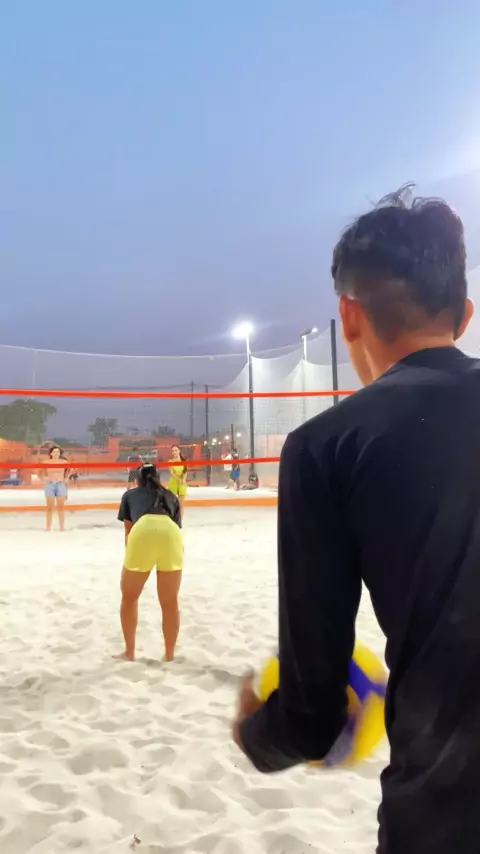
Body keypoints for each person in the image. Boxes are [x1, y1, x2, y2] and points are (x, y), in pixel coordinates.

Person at [233, 186, 480, 854]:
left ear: (348, 314)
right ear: (464, 315)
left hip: (451, 810)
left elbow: (312, 717)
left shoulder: (325, 448)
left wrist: (257, 732)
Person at [115, 463, 183, 663]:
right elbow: (177, 527)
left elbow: (129, 531)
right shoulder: (171, 496)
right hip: (171, 533)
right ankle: (169, 655)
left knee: (129, 597)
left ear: (138, 480)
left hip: (143, 530)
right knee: (170, 602)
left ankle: (130, 652)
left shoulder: (130, 495)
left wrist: (131, 559)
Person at [44, 445, 70, 531]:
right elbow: (39, 471)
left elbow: (72, 468)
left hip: (60, 484)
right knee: (49, 508)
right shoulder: (46, 462)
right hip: (50, 484)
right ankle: (48, 527)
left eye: (58, 452)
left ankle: (62, 527)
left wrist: (66, 478)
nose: (56, 453)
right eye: (54, 452)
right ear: (51, 453)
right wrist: (44, 477)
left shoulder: (64, 462)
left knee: (61, 507)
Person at [168, 445, 188, 519]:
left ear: (179, 451)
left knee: (181, 505)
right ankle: (172, 520)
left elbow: (185, 471)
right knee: (171, 504)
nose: (174, 452)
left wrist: (183, 479)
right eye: (173, 451)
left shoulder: (183, 461)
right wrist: (178, 480)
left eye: (176, 450)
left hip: (182, 483)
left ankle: (180, 521)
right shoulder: (170, 462)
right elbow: (171, 473)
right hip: (173, 482)